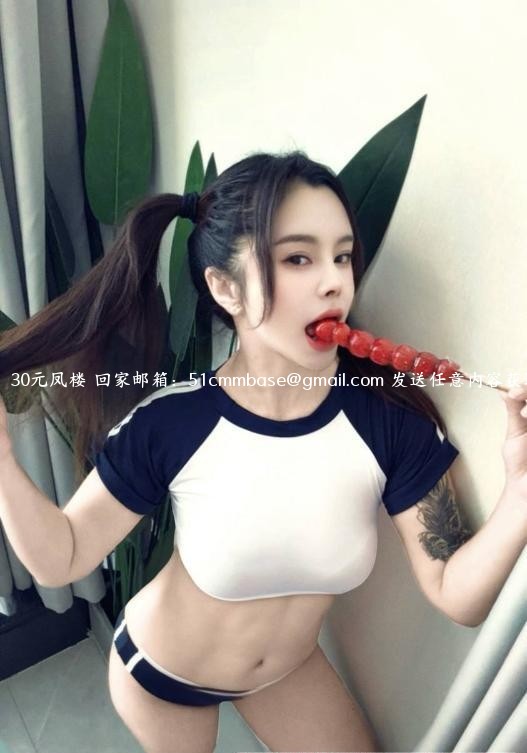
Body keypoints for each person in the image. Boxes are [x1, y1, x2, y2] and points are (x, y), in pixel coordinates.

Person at [1, 151, 526, 753]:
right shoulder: (174, 422)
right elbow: (63, 556)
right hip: (163, 672)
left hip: (287, 671)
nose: (335, 282)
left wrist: (519, 492)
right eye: (298, 258)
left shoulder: (389, 421)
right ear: (225, 287)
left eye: (343, 256)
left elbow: (456, 594)